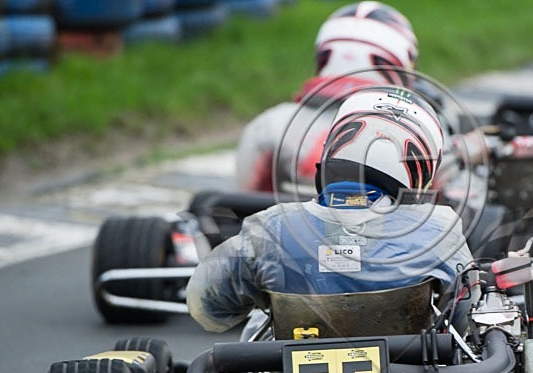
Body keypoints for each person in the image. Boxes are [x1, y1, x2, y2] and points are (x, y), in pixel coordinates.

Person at [188, 87, 474, 333]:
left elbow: (208, 309)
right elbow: (466, 315)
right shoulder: (438, 229)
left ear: (337, 142)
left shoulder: (271, 228)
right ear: (418, 163)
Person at [234, 1, 419, 193]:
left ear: (325, 57)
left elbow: (240, 209)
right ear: (396, 64)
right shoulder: (414, 132)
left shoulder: (272, 124)